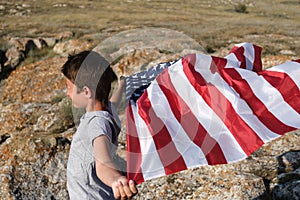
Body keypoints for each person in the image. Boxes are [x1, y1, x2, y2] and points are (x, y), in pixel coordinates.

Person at [61, 50, 137, 199]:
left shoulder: (96, 123)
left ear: (86, 92)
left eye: (69, 88)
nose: (67, 94)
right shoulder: (107, 110)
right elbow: (113, 102)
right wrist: (121, 86)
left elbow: (103, 163)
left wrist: (116, 180)